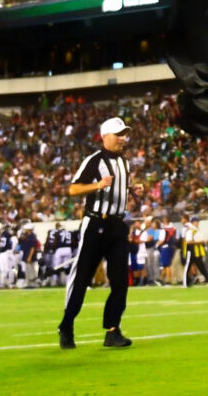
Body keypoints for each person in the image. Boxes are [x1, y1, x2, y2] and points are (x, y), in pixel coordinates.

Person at [58, 116, 143, 350]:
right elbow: (74, 188)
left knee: (119, 281)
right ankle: (66, 325)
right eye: (118, 134)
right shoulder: (94, 161)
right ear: (105, 136)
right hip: (96, 224)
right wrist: (96, 185)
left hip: (116, 225)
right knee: (82, 278)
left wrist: (131, 189)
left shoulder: (124, 163)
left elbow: (117, 186)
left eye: (124, 134)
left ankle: (113, 330)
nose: (123, 139)